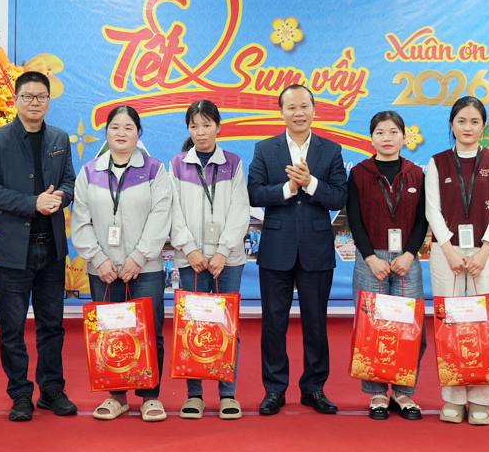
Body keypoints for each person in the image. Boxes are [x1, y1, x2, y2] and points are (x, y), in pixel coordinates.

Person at [0, 71, 77, 421]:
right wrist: (33, 203)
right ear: (16, 100)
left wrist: (59, 198)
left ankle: (51, 390)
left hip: (52, 248)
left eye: (41, 97)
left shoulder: (59, 138)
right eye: (28, 96)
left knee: (52, 326)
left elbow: (69, 182)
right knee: (12, 328)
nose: (35, 102)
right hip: (13, 251)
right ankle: (20, 393)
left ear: (49, 100)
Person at [248, 84, 348, 415]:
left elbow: (339, 196)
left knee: (316, 322)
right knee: (273, 323)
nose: (298, 112)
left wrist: (311, 183)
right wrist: (289, 187)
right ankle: (274, 389)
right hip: (276, 248)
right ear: (281, 112)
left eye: (304, 106)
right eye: (291, 107)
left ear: (314, 110)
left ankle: (314, 388)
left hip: (316, 248)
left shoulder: (331, 150)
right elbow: (254, 193)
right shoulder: (265, 149)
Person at [71, 105, 173, 422]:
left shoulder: (155, 170)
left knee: (150, 331)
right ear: (106, 133)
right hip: (103, 269)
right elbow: (80, 220)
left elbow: (161, 216)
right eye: (115, 127)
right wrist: (98, 258)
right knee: (110, 332)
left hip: (146, 268)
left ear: (138, 133)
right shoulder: (89, 172)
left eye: (129, 127)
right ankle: (116, 396)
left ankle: (150, 396)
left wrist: (139, 257)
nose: (121, 133)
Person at [425, 97, 489, 425]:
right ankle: (453, 397)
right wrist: (448, 249)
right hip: (446, 252)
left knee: (483, 322)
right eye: (461, 121)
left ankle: (481, 398)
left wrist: (486, 249)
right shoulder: (437, 163)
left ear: (483, 126)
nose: (467, 127)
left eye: (474, 121)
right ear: (452, 125)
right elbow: (432, 210)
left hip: (486, 253)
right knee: (450, 322)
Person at [169, 100, 250, 420]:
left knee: (227, 324)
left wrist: (222, 251)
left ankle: (228, 394)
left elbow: (240, 210)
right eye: (194, 126)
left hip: (228, 260)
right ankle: (195, 394)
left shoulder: (233, 163)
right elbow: (172, 210)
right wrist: (190, 249)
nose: (200, 132)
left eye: (206, 125)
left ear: (218, 127)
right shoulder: (177, 164)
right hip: (191, 259)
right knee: (192, 325)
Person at [348, 110, 428, 420]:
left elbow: (422, 220)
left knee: (409, 327)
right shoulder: (359, 173)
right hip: (371, 259)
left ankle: (404, 392)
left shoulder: (416, 174)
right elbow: (354, 219)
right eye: (380, 132)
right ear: (371, 138)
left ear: (404, 137)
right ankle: (378, 393)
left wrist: (409, 254)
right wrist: (370, 257)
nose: (387, 138)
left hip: (407, 259)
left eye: (393, 132)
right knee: (372, 327)